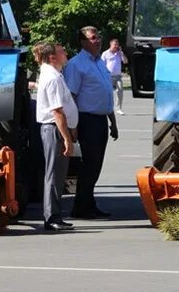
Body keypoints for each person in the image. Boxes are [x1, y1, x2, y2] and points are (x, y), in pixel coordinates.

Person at [64, 26, 118, 219]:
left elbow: (106, 94)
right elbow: (70, 97)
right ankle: (81, 207)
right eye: (93, 38)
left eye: (98, 37)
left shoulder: (99, 62)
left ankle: (89, 203)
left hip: (101, 120)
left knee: (96, 165)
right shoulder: (76, 64)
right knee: (88, 165)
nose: (98, 41)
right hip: (86, 120)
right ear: (83, 42)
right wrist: (73, 127)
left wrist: (113, 121)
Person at [34, 41, 78, 232]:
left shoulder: (53, 74)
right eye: (62, 51)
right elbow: (57, 112)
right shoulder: (52, 78)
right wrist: (67, 138)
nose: (66, 53)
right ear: (52, 57)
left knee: (58, 174)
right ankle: (51, 217)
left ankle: (55, 215)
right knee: (54, 173)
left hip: (56, 129)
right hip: (54, 129)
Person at [101, 38, 128, 115]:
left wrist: (121, 53)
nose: (116, 46)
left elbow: (125, 61)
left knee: (120, 91)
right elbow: (102, 65)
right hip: (109, 76)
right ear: (110, 45)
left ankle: (119, 108)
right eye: (114, 45)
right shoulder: (105, 53)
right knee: (108, 92)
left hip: (118, 76)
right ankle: (106, 107)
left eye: (117, 45)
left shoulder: (119, 53)